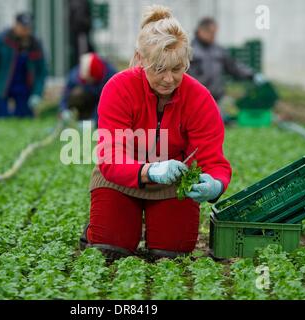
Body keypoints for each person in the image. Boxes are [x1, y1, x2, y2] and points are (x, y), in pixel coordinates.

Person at [79, 6, 232, 261]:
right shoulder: (119, 88)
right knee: (110, 248)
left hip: (171, 184)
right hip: (120, 180)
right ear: (141, 59)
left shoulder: (199, 99)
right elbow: (111, 157)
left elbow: (214, 160)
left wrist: (214, 184)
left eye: (177, 68)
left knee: (171, 253)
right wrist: (149, 170)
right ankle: (99, 228)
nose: (169, 79)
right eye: (159, 68)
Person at [188, 17, 265, 122]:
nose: (213, 36)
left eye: (214, 33)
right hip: (195, 100)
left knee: (215, 127)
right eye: (211, 33)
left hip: (216, 98)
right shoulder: (189, 49)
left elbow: (234, 67)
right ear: (201, 30)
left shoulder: (218, 50)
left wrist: (251, 74)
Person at [0, 13, 47, 118]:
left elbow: (41, 71)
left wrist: (37, 93)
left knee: (24, 116)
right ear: (15, 25)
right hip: (2, 86)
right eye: (22, 27)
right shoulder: (2, 40)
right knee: (0, 115)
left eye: (28, 27)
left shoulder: (35, 44)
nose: (25, 30)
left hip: (24, 88)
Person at [59, 52, 117, 123]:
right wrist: (64, 110)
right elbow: (65, 94)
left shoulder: (111, 77)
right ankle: (78, 118)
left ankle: (91, 119)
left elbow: (105, 103)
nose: (88, 81)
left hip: (100, 102)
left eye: (90, 79)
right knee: (77, 93)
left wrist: (95, 120)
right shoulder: (75, 74)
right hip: (87, 98)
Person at [68, 0, 94, 68]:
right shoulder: (79, 2)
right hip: (80, 33)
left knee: (82, 56)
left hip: (79, 33)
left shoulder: (78, 2)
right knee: (82, 57)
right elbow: (80, 20)